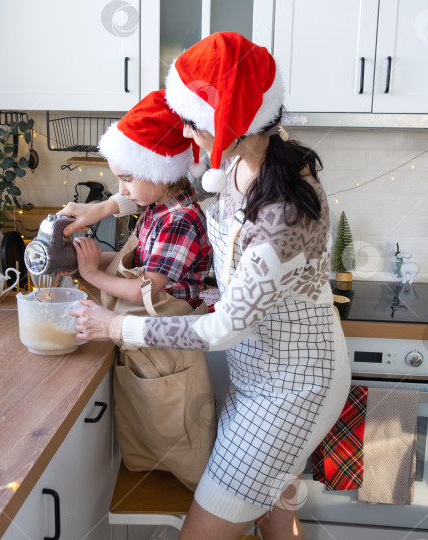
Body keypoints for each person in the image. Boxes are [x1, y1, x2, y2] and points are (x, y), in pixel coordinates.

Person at [69, 32, 352, 539]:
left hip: (295, 387)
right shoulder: (243, 161)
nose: (187, 133)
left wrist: (116, 327)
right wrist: (106, 206)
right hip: (260, 376)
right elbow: (168, 184)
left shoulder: (282, 211)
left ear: (230, 123)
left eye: (194, 122)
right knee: (276, 512)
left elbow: (222, 330)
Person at [58, 89, 216, 491]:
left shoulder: (178, 218)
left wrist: (93, 274)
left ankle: (192, 508)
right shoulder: (160, 204)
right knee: (151, 426)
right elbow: (135, 203)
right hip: (147, 343)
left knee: (177, 430)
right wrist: (99, 211)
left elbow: (145, 290)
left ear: (161, 170)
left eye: (126, 177)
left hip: (166, 345)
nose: (121, 188)